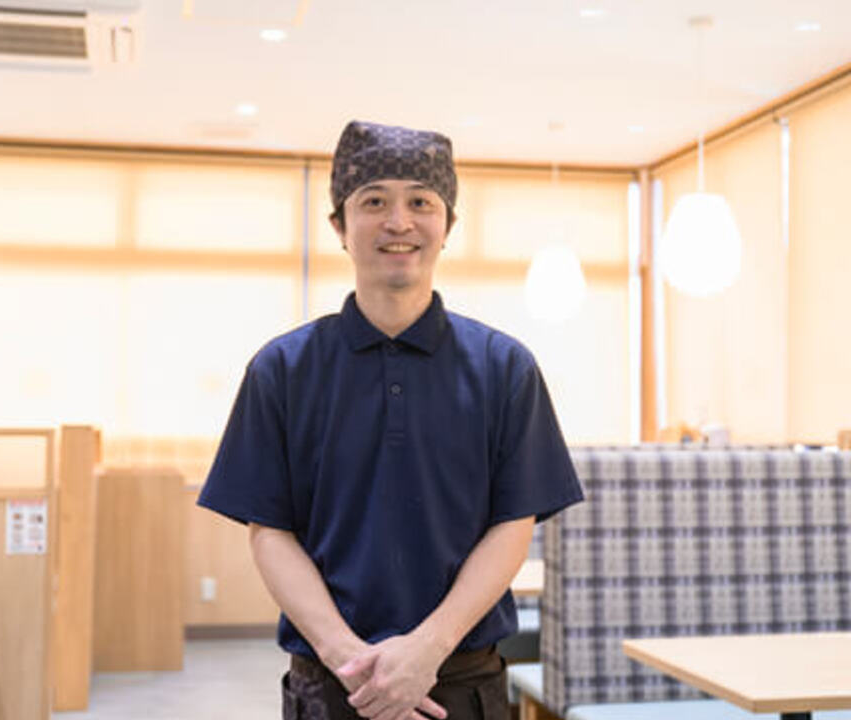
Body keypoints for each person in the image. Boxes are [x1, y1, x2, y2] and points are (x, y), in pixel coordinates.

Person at [198, 119, 583, 720]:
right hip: (330, 685)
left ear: (448, 225)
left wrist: (425, 652)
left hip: (462, 686)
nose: (399, 222)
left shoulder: (505, 368)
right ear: (339, 227)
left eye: (420, 202)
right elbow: (269, 532)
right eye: (373, 201)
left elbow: (514, 523)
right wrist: (355, 665)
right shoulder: (282, 369)